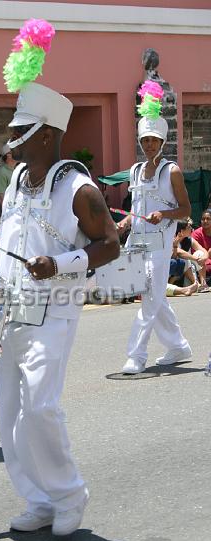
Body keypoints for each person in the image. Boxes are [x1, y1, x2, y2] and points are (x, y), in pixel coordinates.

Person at [0, 79, 119, 536]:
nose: (11, 136)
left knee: (40, 408)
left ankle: (69, 493)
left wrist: (59, 263)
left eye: (21, 129)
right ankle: (37, 498)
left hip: (54, 311)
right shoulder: (16, 181)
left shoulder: (79, 189)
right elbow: (4, 243)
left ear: (44, 133)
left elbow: (110, 245)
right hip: (11, 310)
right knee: (13, 413)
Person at [118, 81, 192, 374]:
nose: (149, 145)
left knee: (149, 296)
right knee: (155, 296)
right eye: (145, 140)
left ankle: (136, 355)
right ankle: (178, 346)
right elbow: (136, 208)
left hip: (161, 246)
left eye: (153, 140)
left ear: (162, 142)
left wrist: (164, 214)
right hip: (136, 242)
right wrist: (124, 223)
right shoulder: (135, 170)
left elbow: (186, 210)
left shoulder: (171, 170)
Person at [169, 218, 208, 290]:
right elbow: (179, 252)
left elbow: (203, 250)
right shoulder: (172, 239)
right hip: (176, 267)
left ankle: (203, 283)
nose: (191, 229)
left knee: (200, 253)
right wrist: (196, 259)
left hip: (187, 268)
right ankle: (196, 283)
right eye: (189, 227)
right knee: (185, 260)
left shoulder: (189, 239)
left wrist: (204, 258)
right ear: (182, 230)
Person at [192, 209, 211, 290]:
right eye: (203, 219)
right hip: (201, 263)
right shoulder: (196, 234)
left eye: (208, 219)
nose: (205, 221)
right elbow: (196, 254)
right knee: (199, 253)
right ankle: (203, 284)